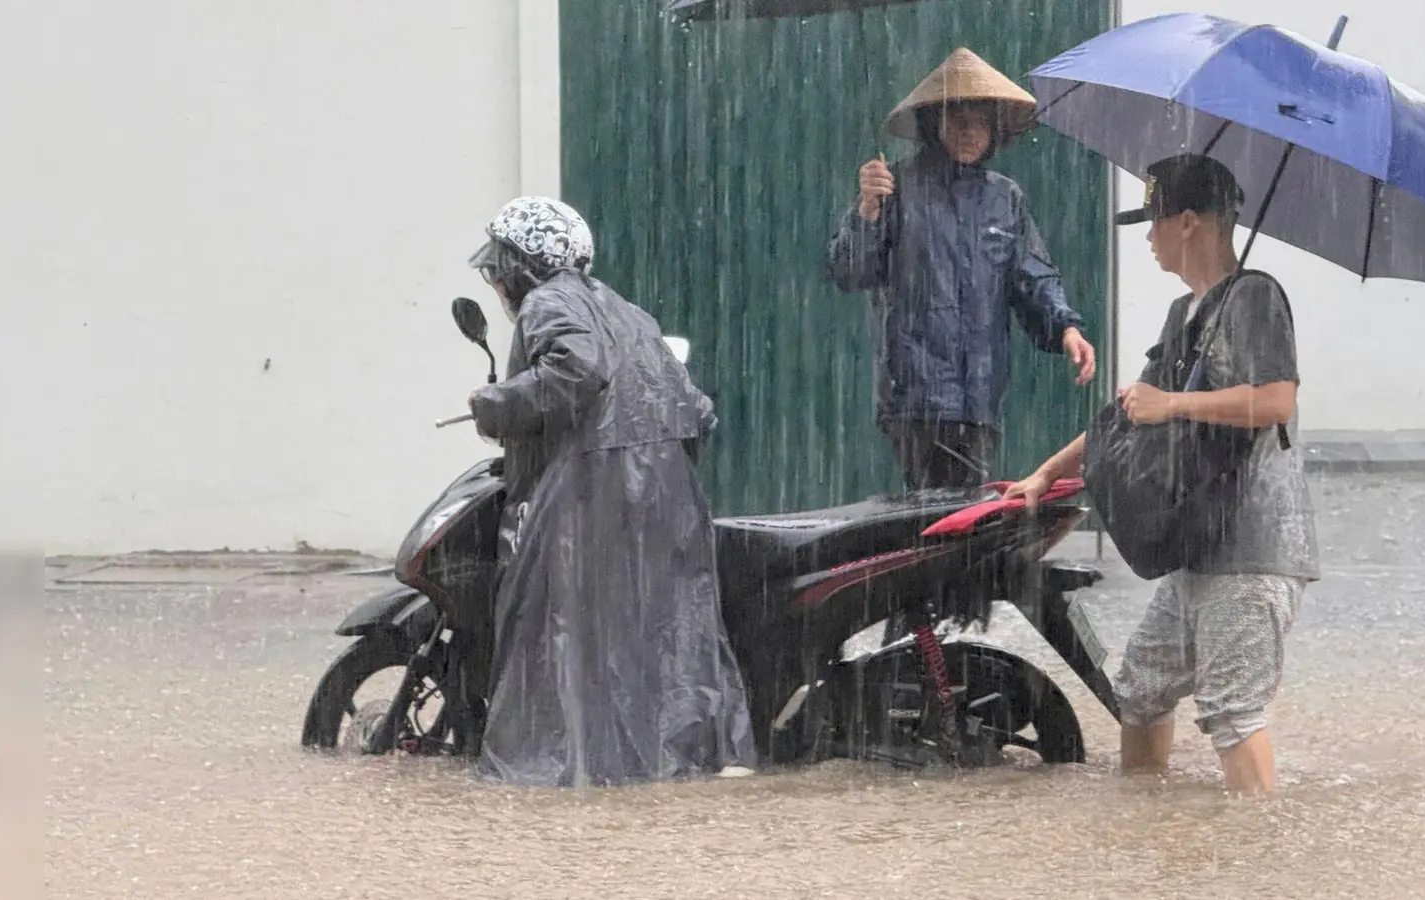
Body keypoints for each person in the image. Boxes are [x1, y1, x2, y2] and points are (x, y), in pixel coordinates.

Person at [1004, 155, 1320, 794]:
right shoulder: (1186, 315)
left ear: (1186, 224)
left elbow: (1277, 400)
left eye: (1151, 223)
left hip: (1253, 552)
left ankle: (1253, 861)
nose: (1146, 239)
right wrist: (1043, 475)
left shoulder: (1255, 295)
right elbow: (1126, 415)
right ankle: (1151, 829)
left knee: (1233, 713)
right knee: (1142, 690)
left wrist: (1173, 404)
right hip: (1197, 548)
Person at [464, 196, 758, 787]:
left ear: (522, 267)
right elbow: (697, 408)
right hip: (668, 491)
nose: (495, 281)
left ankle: (562, 770)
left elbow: (578, 367)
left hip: (594, 488)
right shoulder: (627, 310)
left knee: (561, 630)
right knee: (667, 630)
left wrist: (494, 404)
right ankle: (685, 758)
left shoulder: (549, 301)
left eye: (500, 267)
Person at [824, 47, 1097, 492]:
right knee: (950, 513)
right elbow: (849, 270)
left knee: (962, 514)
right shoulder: (897, 188)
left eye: (982, 123)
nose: (971, 133)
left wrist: (1066, 327)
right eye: (959, 121)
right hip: (917, 394)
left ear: (995, 131)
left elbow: (1031, 274)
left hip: (982, 395)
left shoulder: (1005, 198)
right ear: (936, 126)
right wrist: (868, 210)